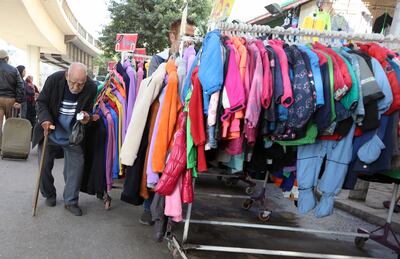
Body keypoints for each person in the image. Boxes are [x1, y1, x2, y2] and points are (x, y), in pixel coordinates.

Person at [140, 18, 196, 226]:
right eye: (186, 35)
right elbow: (152, 91)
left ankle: (168, 210)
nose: (190, 40)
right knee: (155, 160)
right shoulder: (159, 60)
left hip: (181, 119)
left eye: (192, 35)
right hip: (159, 118)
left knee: (174, 164)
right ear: (173, 37)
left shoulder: (193, 59)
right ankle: (149, 206)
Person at [32, 62, 97, 216]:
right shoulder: (54, 80)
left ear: (86, 80)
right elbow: (41, 102)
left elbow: (88, 110)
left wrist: (87, 118)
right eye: (73, 82)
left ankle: (70, 201)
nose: (76, 87)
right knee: (44, 166)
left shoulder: (91, 87)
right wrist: (45, 120)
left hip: (73, 135)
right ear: (66, 75)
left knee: (76, 167)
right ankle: (49, 194)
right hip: (51, 131)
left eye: (80, 84)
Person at [0, 49, 24, 148]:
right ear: (7, 58)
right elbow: (20, 85)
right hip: (10, 100)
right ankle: (8, 146)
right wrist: (18, 100)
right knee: (10, 124)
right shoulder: (14, 70)